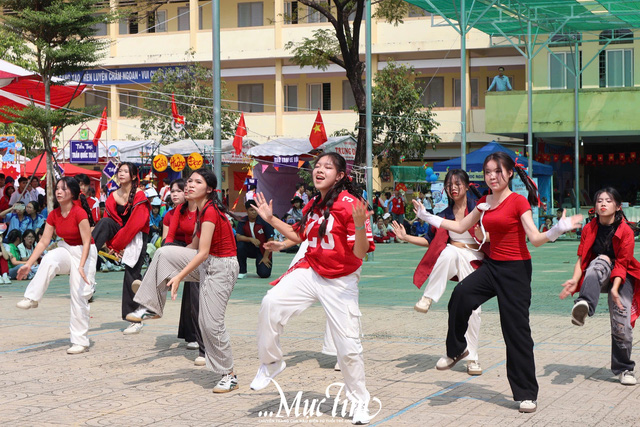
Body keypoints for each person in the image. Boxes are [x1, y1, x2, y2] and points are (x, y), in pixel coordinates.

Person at [414, 152, 582, 413]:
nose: (492, 176)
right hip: (492, 267)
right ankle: (458, 349)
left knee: (515, 332)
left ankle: (526, 393)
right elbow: (459, 227)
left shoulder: (518, 202)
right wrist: (427, 217)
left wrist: (558, 228)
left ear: (509, 173)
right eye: (488, 172)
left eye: (497, 171)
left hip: (516, 271)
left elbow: (535, 239)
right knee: (461, 295)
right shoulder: (483, 202)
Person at [249, 152, 375, 425]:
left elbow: (361, 252)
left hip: (341, 280)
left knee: (349, 348)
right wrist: (271, 219)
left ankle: (360, 402)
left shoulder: (352, 205)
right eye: (317, 166)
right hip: (312, 269)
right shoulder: (314, 205)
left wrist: (359, 227)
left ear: (340, 176)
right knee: (271, 303)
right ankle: (271, 363)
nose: (319, 170)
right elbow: (300, 236)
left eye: (327, 167)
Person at [126, 168, 240, 393]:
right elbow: (192, 249)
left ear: (209, 189)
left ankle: (230, 375)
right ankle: (152, 306)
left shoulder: (210, 211)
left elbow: (203, 253)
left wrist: (178, 275)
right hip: (208, 263)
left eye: (197, 182)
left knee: (210, 324)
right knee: (164, 252)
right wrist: (170, 270)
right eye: (189, 181)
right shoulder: (199, 210)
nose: (189, 185)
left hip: (222, 269)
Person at [394, 169, 486, 376]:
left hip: (475, 261)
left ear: (467, 184)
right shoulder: (444, 214)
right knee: (448, 252)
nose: (453, 188)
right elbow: (429, 240)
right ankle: (428, 298)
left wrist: (484, 236)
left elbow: (493, 236)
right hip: (454, 256)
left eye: (457, 183)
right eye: (449, 185)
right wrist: (405, 237)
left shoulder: (479, 209)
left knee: (474, 311)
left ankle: (473, 358)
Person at [560, 187, 640, 386]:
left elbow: (622, 263)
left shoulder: (626, 231)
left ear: (618, 206)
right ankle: (585, 304)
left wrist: (615, 288)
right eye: (599, 201)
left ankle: (624, 368)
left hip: (624, 276)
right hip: (599, 272)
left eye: (608, 200)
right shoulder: (589, 228)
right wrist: (574, 279)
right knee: (598, 261)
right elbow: (582, 258)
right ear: (595, 206)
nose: (603, 204)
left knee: (622, 325)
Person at [15, 177, 97, 354]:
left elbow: (87, 242)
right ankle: (32, 298)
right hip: (67, 248)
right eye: (57, 188)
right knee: (49, 258)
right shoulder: (53, 214)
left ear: (73, 193)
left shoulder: (79, 213)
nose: (58, 191)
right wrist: (28, 264)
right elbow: (44, 241)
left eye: (63, 189)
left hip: (86, 252)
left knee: (78, 295)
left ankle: (80, 341)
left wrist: (81, 266)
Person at [92, 162, 150, 335]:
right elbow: (110, 221)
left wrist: (118, 245)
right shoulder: (112, 195)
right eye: (120, 171)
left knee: (131, 277)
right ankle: (87, 258)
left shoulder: (140, 195)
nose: (121, 173)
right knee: (103, 223)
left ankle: (134, 319)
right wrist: (112, 246)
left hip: (137, 236)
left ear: (133, 176)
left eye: (126, 171)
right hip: (120, 237)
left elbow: (135, 224)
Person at [161, 178, 206, 365]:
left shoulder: (206, 210)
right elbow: (168, 238)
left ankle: (204, 348)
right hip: (190, 252)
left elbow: (201, 245)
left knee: (199, 302)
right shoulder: (177, 211)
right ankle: (151, 304)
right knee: (162, 253)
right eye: (176, 190)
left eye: (181, 189)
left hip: (210, 258)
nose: (178, 193)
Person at [236, 199, 274, 279]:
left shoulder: (264, 220)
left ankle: (261, 264)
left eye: (255, 210)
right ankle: (242, 271)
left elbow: (270, 239)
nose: (254, 212)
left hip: (263, 250)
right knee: (240, 245)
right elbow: (238, 237)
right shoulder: (242, 221)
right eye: (251, 210)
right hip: (250, 248)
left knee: (264, 274)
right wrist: (250, 239)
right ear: (246, 211)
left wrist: (266, 257)